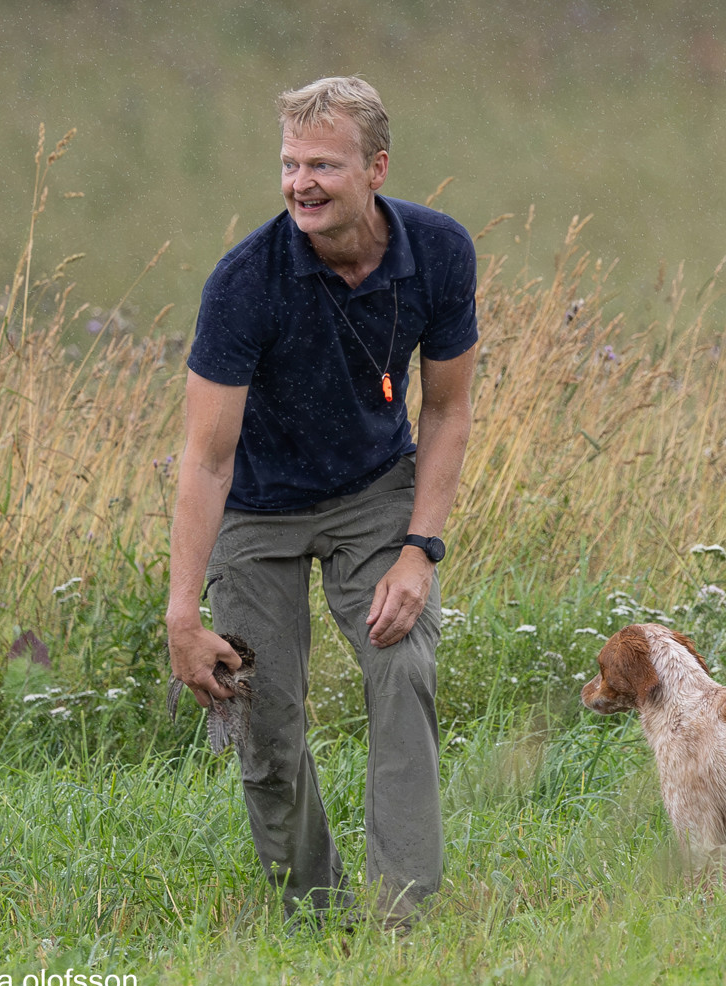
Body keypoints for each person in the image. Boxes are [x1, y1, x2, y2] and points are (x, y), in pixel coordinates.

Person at [165, 76, 478, 928]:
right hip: (256, 510)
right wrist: (184, 616)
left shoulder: (440, 253)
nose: (301, 182)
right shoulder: (244, 284)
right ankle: (313, 911)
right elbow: (205, 458)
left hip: (374, 495)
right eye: (290, 163)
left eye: (323, 165)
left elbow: (447, 410)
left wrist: (420, 549)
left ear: (376, 169)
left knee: (403, 662)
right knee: (260, 715)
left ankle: (401, 917)